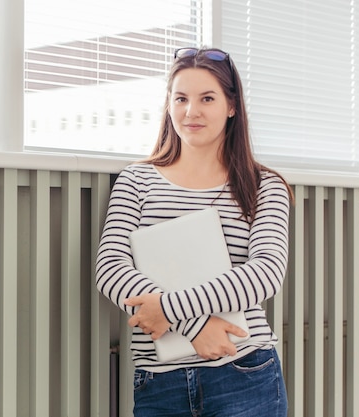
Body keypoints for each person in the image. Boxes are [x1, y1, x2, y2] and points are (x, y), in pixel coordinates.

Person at [95, 47, 292, 417]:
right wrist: (195, 325)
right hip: (159, 382)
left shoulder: (263, 185)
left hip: (244, 374)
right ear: (168, 105)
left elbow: (265, 274)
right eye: (181, 98)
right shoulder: (136, 180)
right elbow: (110, 269)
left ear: (231, 106)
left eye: (207, 98)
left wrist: (167, 309)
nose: (192, 111)